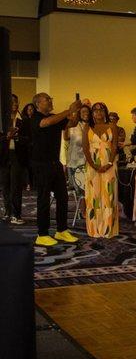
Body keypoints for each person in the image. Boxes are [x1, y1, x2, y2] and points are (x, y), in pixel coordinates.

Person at [30, 93, 80, 246]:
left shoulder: (55, 117)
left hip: (55, 163)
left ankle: (61, 230)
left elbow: (72, 124)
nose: (51, 101)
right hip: (41, 164)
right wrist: (69, 109)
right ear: (38, 103)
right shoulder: (35, 118)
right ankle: (42, 233)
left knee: (63, 197)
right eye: (47, 99)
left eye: (51, 99)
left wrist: (76, 112)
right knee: (44, 199)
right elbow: (46, 123)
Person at [82, 102, 119, 238]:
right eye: (95, 110)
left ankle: (108, 228)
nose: (98, 112)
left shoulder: (112, 126)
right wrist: (93, 164)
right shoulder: (87, 127)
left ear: (105, 112)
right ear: (92, 113)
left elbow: (114, 146)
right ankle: (94, 228)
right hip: (93, 165)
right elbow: (85, 148)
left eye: (101, 110)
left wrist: (109, 163)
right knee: (94, 196)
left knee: (109, 196)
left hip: (109, 164)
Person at [0, 94, 30, 224]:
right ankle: (7, 212)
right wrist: (7, 137)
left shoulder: (23, 120)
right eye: (12, 102)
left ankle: (16, 215)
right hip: (3, 156)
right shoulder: (2, 121)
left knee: (16, 186)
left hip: (17, 156)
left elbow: (29, 139)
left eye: (16, 102)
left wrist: (16, 138)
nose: (15, 104)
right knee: (5, 185)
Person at [64, 105, 90, 212]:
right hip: (76, 161)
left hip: (90, 161)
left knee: (91, 188)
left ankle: (91, 209)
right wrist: (66, 125)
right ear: (79, 114)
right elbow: (66, 137)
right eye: (83, 112)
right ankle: (83, 211)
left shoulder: (92, 126)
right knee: (82, 189)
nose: (86, 114)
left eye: (88, 112)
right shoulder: (74, 125)